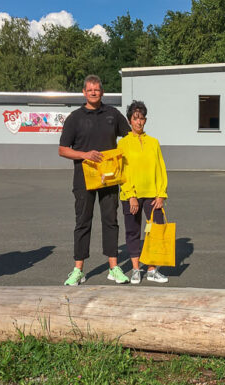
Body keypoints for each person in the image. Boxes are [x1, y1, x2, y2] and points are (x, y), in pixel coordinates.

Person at [59, 74, 131, 285]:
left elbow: (128, 140)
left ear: (102, 92)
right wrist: (84, 155)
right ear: (84, 92)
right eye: (89, 89)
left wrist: (120, 156)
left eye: (97, 89)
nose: (93, 92)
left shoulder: (112, 114)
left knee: (111, 221)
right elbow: (62, 150)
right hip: (84, 178)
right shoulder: (75, 118)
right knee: (82, 222)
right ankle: (78, 270)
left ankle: (113, 267)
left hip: (109, 177)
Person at [117, 101, 169, 284]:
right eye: (135, 118)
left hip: (152, 195)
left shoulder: (154, 143)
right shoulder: (122, 143)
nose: (139, 122)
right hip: (130, 195)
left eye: (142, 118)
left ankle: (152, 269)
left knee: (155, 230)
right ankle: (136, 269)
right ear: (130, 120)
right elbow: (121, 172)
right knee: (133, 231)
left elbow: (161, 169)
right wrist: (131, 194)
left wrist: (161, 194)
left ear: (145, 120)